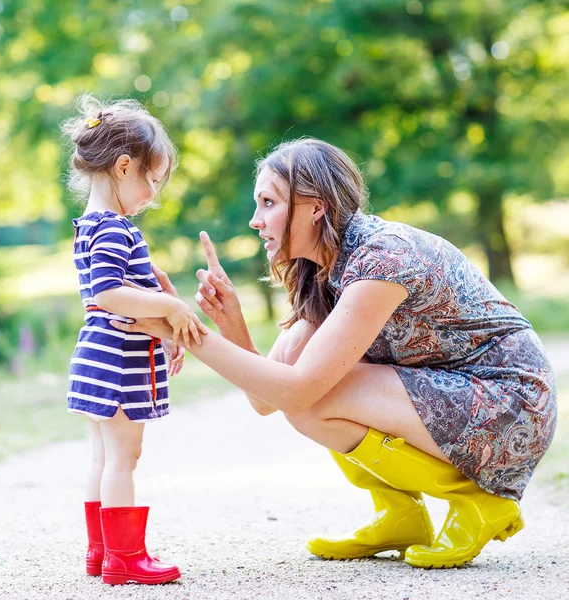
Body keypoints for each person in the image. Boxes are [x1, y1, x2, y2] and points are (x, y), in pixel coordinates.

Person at [112, 138, 557, 569]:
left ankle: (477, 502)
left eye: (268, 203)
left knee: (316, 399)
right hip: (470, 401)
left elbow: (298, 393)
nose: (255, 220)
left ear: (316, 207)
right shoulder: (329, 269)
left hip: (510, 404)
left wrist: (186, 330)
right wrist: (230, 323)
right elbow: (266, 398)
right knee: (309, 394)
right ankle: (401, 517)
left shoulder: (381, 259)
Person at [62, 95, 207, 585]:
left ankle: (100, 552)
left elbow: (124, 291)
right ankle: (124, 559)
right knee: (125, 456)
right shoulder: (115, 228)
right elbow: (108, 291)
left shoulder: (90, 226)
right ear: (124, 167)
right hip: (117, 364)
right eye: (152, 179)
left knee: (104, 456)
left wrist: (165, 323)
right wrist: (170, 307)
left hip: (98, 356)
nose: (153, 194)